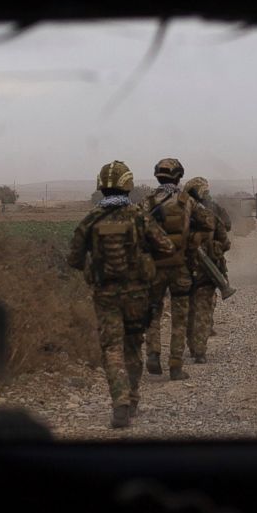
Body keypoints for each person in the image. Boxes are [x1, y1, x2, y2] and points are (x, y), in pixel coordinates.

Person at [67, 161, 175, 428]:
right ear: (128, 185)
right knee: (132, 345)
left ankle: (120, 402)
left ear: (101, 186)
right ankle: (134, 397)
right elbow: (166, 247)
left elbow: (74, 258)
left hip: (105, 295)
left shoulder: (91, 219)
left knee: (111, 348)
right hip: (138, 294)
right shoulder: (139, 216)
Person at [141, 158, 215, 380]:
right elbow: (209, 222)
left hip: (154, 267)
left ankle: (153, 353)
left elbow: (138, 228)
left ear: (157, 176)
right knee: (179, 317)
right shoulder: (187, 201)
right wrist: (192, 238)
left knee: (153, 313)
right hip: (180, 267)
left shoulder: (147, 201)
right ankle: (175, 365)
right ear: (179, 176)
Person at [182, 176, 231, 364]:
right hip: (206, 271)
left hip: (184, 270)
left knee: (188, 309)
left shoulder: (179, 214)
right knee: (203, 309)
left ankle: (192, 346)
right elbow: (225, 241)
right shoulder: (212, 213)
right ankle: (199, 351)